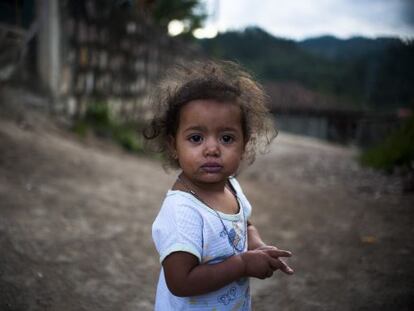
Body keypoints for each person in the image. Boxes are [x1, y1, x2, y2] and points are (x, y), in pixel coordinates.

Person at [143, 60, 294, 310]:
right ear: (173, 145)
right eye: (196, 138)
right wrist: (244, 264)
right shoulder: (183, 212)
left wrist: (257, 247)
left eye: (226, 138)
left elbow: (245, 224)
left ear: (244, 144)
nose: (212, 149)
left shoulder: (232, 187)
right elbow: (180, 281)